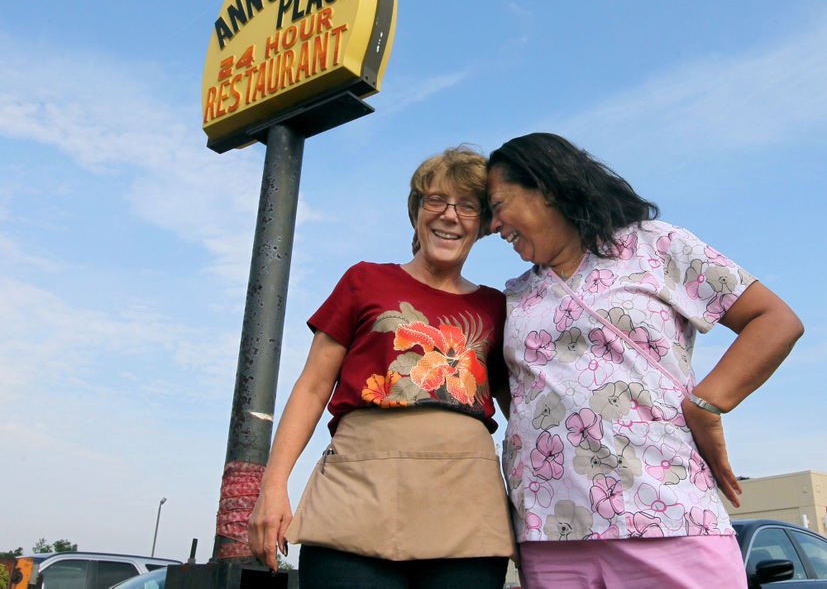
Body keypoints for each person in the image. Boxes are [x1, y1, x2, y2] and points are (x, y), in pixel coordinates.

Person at [486, 133, 803, 588]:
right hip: (551, 533)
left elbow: (774, 320)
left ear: (547, 186)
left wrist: (708, 403)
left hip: (666, 514)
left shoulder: (654, 245)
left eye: (498, 205)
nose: (494, 225)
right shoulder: (515, 294)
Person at [248, 146, 516, 588]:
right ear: (416, 212)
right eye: (436, 200)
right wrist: (273, 486)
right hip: (356, 495)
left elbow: (521, 414)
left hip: (466, 507)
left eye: (468, 206)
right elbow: (313, 387)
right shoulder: (364, 280)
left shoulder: (498, 307)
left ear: (484, 224)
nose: (450, 216)